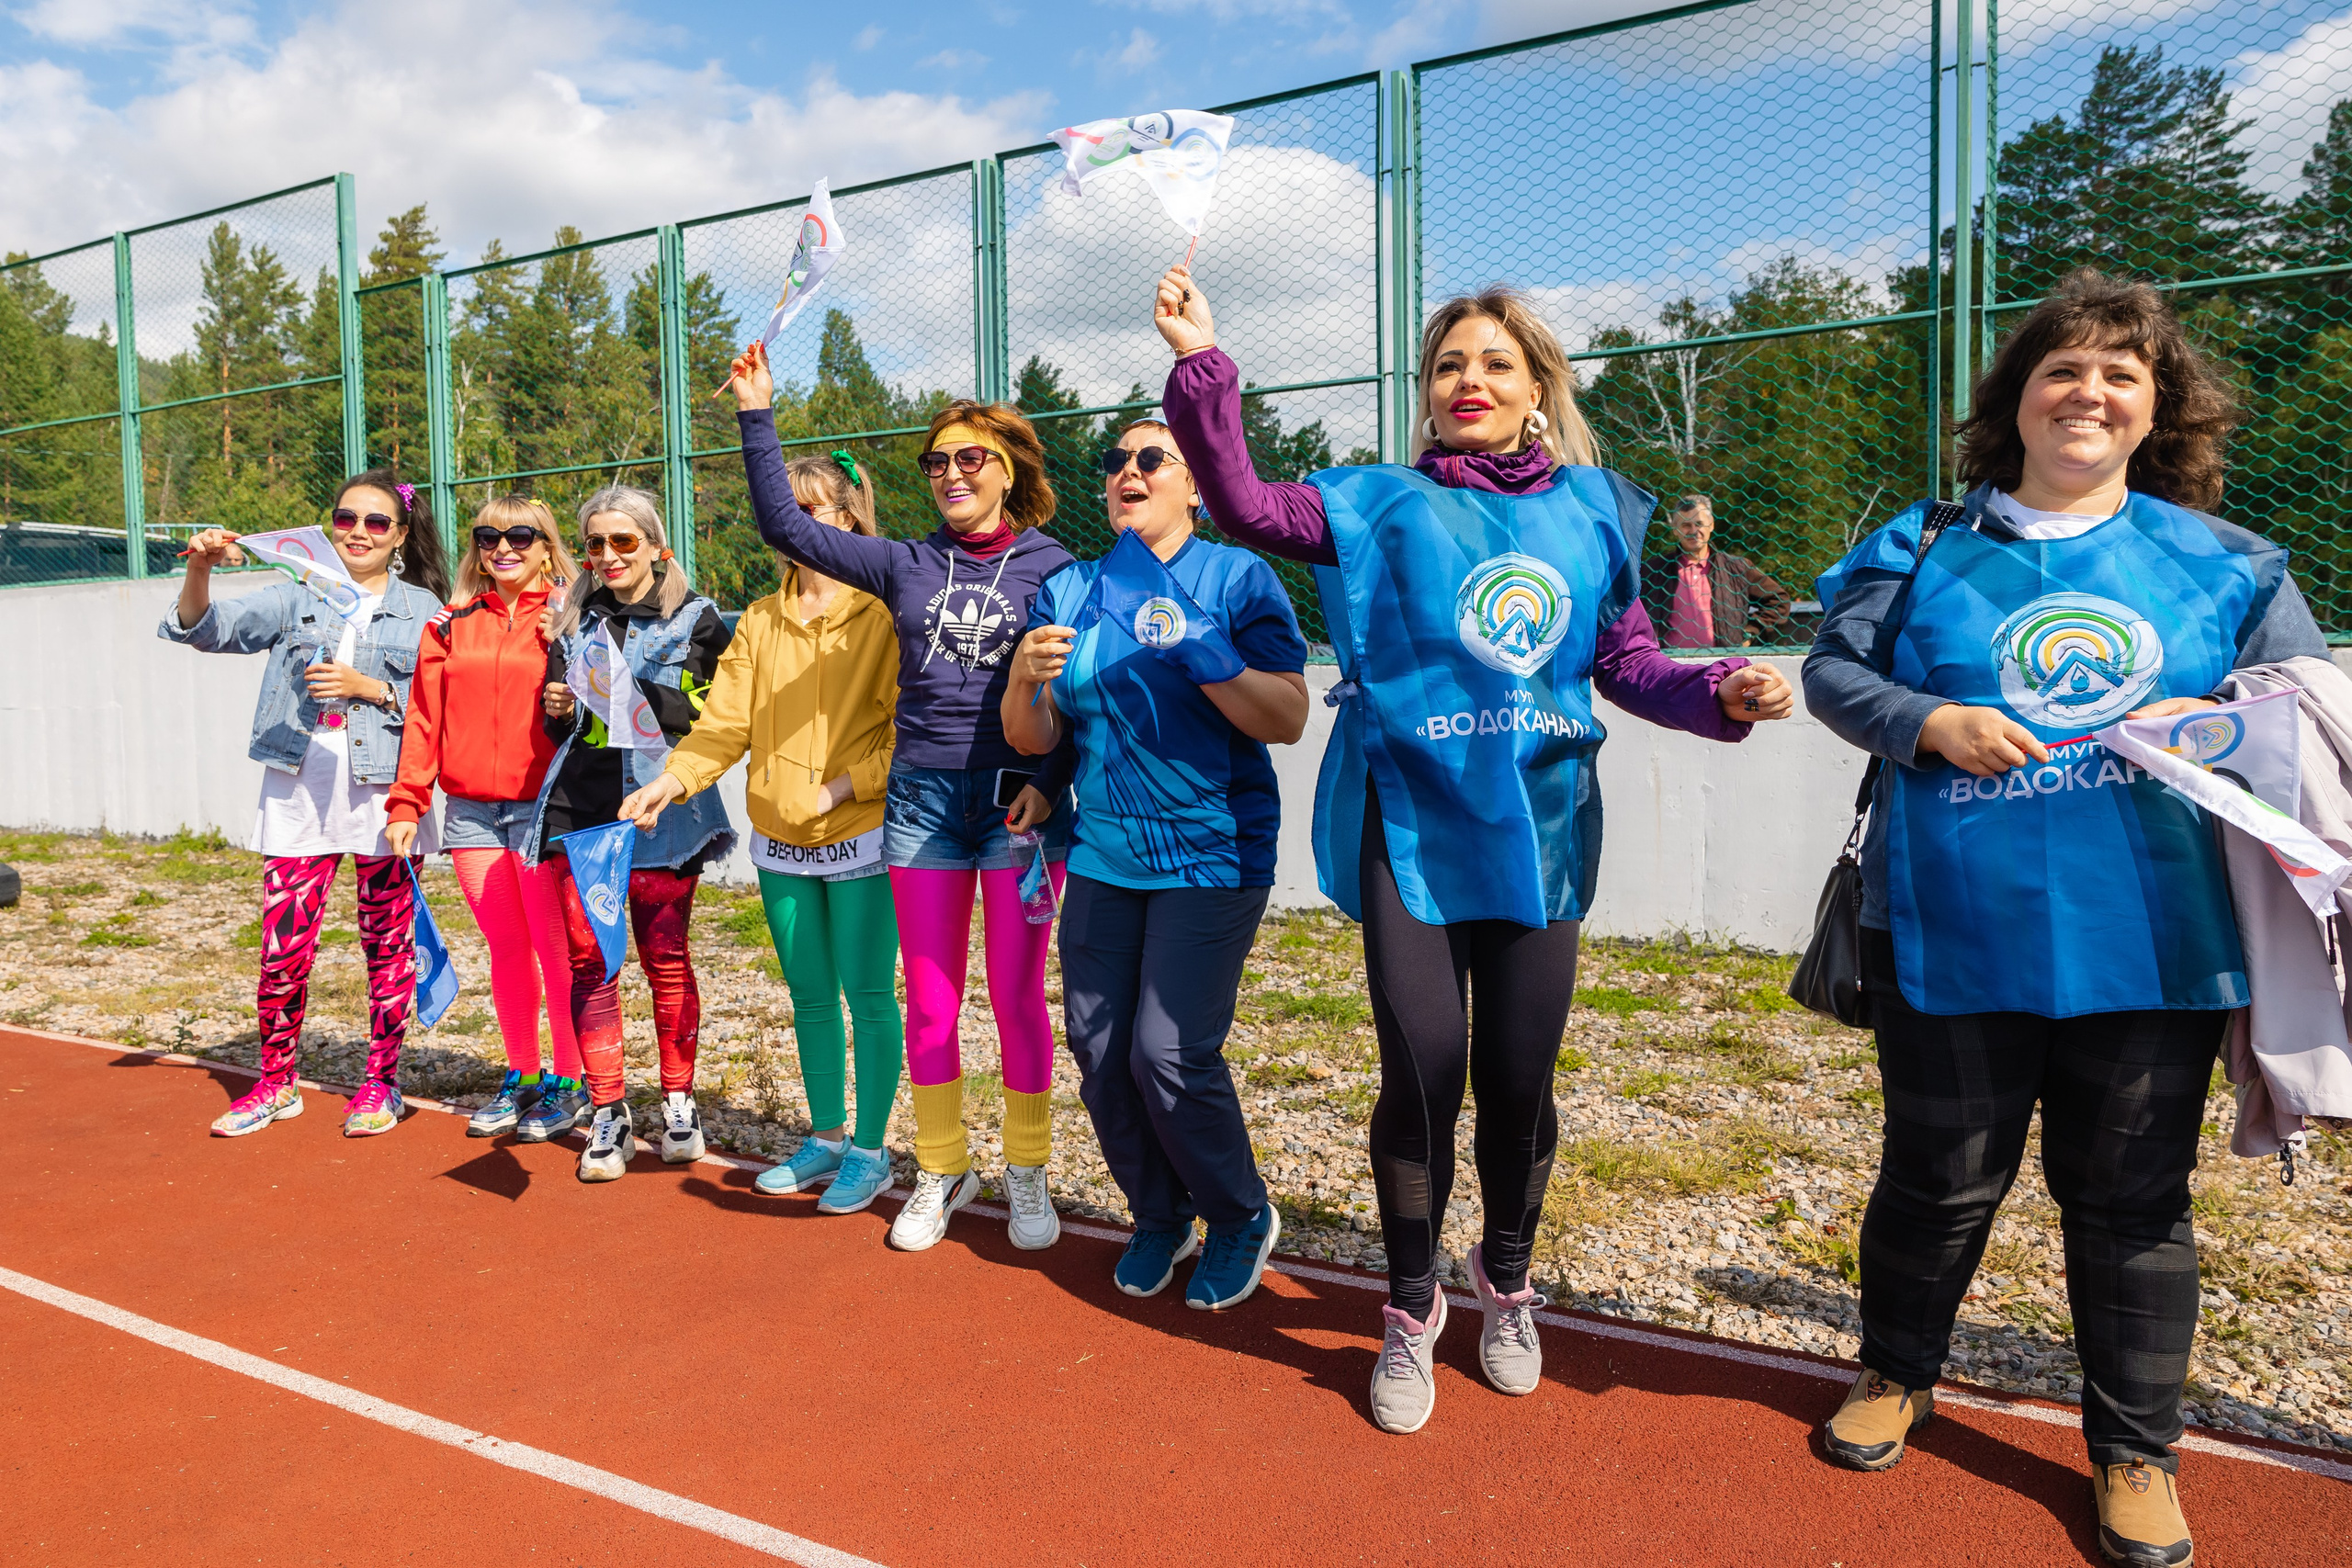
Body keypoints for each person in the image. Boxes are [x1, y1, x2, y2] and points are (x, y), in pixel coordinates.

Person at [1154, 265, 1794, 1433]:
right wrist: (1205, 362)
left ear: (1537, 388)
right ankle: (1409, 1308)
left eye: (1495, 363)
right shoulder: (1376, 503)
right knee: (1423, 1071)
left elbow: (1629, 664)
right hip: (1404, 827)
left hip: (1539, 837)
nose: (1469, 380)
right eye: (1449, 364)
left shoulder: (1594, 510)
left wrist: (1726, 698)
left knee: (1515, 1082)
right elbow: (1243, 503)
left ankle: (1505, 1282)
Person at [1804, 269, 2324, 1568]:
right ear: (2017, 398)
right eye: (2061, 368)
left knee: (2134, 1197)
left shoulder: (2232, 565)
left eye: (2120, 374)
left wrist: (2228, 728)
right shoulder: (1921, 546)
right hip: (1948, 924)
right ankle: (1895, 1369)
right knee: (1935, 1176)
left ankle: (2135, 1449)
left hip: (2156, 939)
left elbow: (2299, 721)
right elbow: (1831, 669)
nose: (2087, 391)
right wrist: (1922, 719)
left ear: (2158, 410)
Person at [725, 339, 1079, 1254]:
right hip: (920, 806)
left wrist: (1049, 782)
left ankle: (1029, 1173)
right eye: (937, 460)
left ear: (1009, 471)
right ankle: (940, 1166)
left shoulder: (1057, 566)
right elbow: (789, 528)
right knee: (927, 1001)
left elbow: (1077, 699)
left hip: (1018, 809)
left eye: (970, 458)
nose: (950, 472)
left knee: (1015, 999)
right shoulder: (903, 561)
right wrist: (757, 415)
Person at [1003, 418, 1310, 1310]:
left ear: (1195, 488)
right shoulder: (1068, 590)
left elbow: (1285, 716)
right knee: (1100, 1052)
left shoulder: (1236, 576)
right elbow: (1032, 738)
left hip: (1211, 853)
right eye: (1115, 461)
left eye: (1151, 459)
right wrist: (1024, 677)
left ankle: (1239, 1213)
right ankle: (1159, 1215)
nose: (1127, 472)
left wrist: (1204, 650)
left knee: (1168, 1053)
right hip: (1103, 856)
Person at [622, 453, 904, 1214]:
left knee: (869, 996)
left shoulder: (882, 612)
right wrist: (669, 781)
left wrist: (845, 786)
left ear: (851, 519)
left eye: (821, 511)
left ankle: (874, 1152)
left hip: (863, 838)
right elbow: (723, 727)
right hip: (780, 842)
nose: (804, 528)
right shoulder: (760, 618)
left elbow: (907, 730)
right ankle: (827, 1137)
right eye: (793, 513)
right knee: (810, 995)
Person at [161, 472, 450, 1138]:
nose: (358, 531)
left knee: (387, 945)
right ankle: (276, 1081)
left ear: (401, 536)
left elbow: (444, 711)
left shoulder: (428, 611)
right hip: (298, 789)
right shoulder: (299, 597)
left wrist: (371, 688)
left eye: (377, 523)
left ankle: (382, 1081)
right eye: (346, 517)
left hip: (387, 796)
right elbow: (204, 628)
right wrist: (201, 569)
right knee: (282, 949)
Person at [534, 487, 734, 1182]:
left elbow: (710, 717)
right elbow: (562, 726)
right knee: (591, 964)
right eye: (596, 543)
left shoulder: (700, 619)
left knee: (666, 958)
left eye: (625, 541)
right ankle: (609, 1111)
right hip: (581, 813)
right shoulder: (571, 620)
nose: (609, 555)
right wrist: (559, 704)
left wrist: (632, 694)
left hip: (663, 816)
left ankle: (679, 1101)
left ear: (658, 546)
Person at [385, 498, 588, 1143]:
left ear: (547, 544)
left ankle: (572, 1079)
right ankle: (524, 1073)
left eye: (520, 534)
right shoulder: (450, 624)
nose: (504, 546)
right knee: (507, 948)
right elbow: (422, 718)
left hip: (544, 807)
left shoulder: (571, 617)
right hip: (471, 810)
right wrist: (406, 801)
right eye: (488, 535)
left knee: (556, 950)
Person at [1657, 493, 1790, 649]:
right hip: (1670, 665)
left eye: (1699, 524)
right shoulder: (1656, 571)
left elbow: (1779, 600)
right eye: (1686, 525)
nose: (1693, 530)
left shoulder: (1737, 568)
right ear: (1675, 529)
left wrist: (1750, 632)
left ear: (1711, 525)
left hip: (1723, 663)